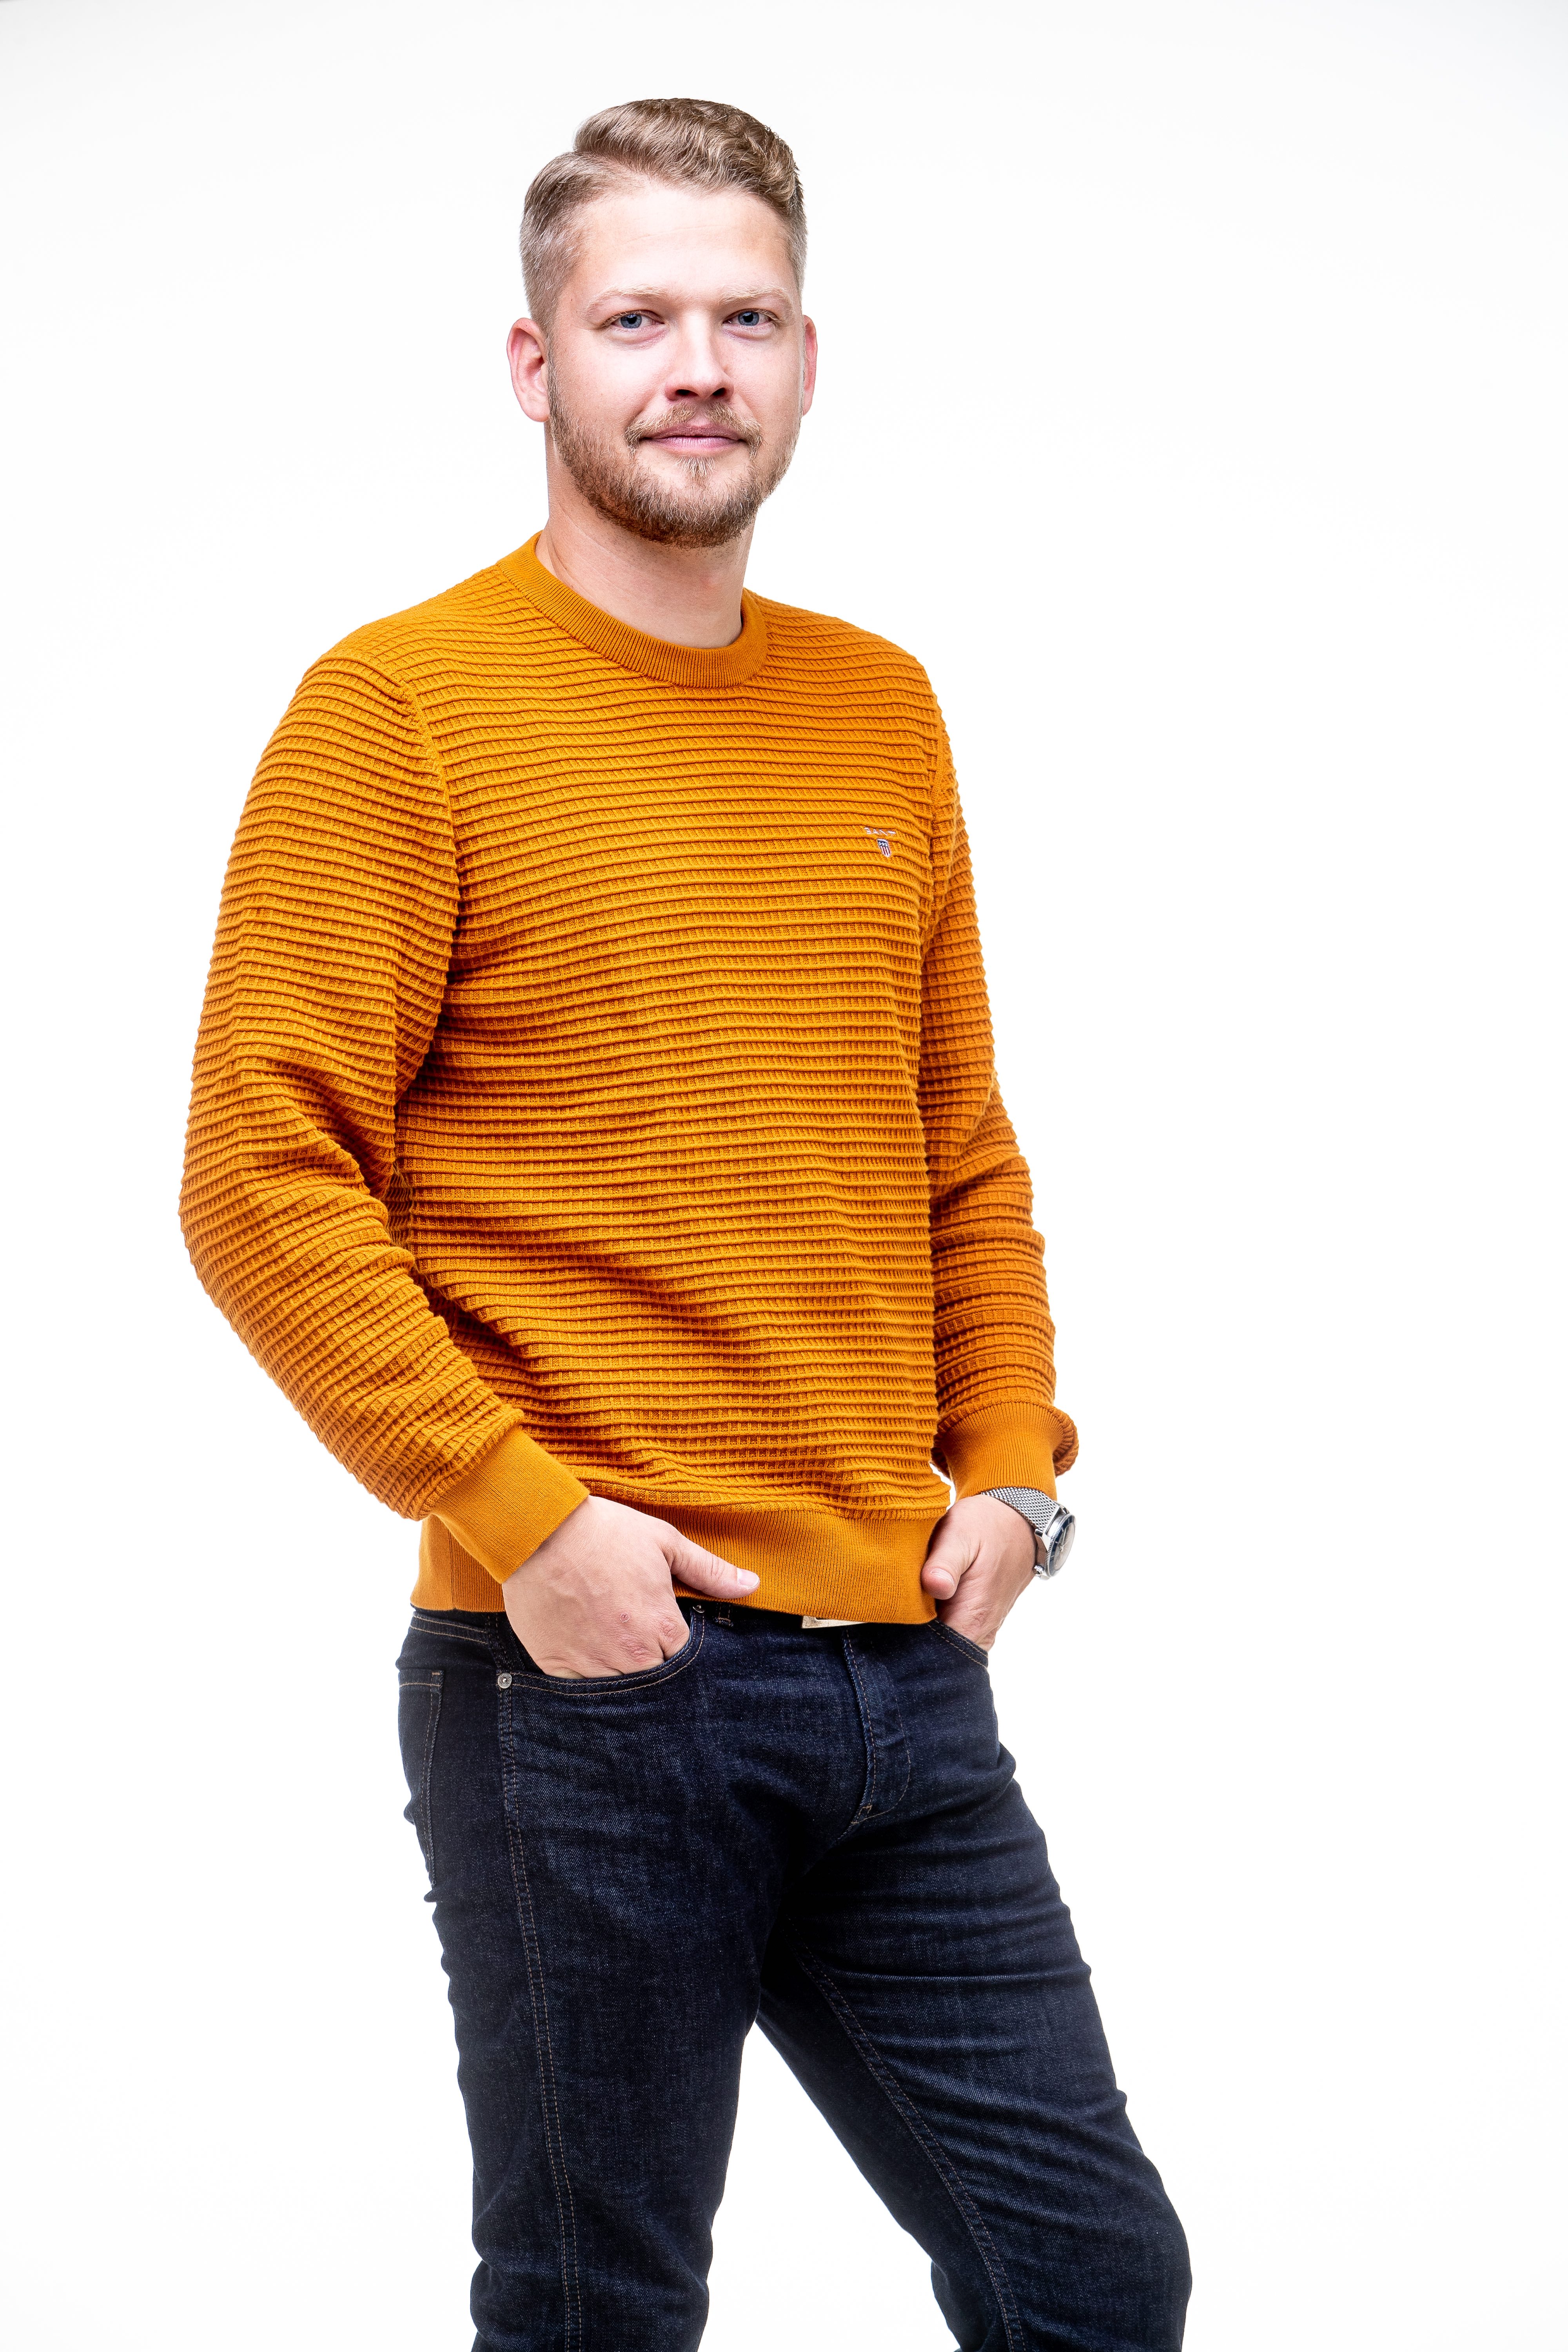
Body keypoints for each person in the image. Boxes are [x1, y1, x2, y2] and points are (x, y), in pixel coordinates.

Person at [180, 94, 1190, 2352]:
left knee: (1095, 2280)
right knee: (598, 2311)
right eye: (637, 320)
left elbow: (957, 1148)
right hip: (586, 1685)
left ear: (810, 358)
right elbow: (259, 1174)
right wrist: (525, 1521)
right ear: (535, 362)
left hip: (904, 1668)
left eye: (746, 319)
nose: (698, 369)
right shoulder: (398, 711)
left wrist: (1015, 1471)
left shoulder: (879, 705)